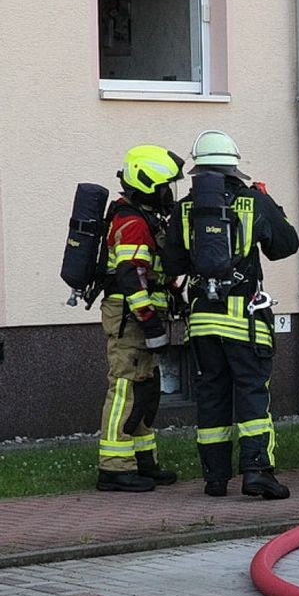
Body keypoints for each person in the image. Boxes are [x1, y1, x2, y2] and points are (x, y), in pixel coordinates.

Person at [162, 130, 299, 499]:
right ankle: (256, 473)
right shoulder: (253, 201)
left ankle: (215, 479)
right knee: (253, 396)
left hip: (202, 323)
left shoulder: (184, 209)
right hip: (245, 322)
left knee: (211, 398)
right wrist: (272, 205)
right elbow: (286, 246)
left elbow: (172, 262)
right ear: (233, 167)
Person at [96, 145, 184, 492]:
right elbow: (132, 278)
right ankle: (114, 468)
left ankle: (142, 461)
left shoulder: (143, 218)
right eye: (164, 187)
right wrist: (150, 324)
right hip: (130, 318)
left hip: (141, 316)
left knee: (145, 390)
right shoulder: (131, 222)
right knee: (126, 389)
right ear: (147, 185)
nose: (168, 194)